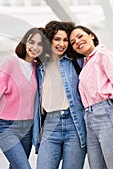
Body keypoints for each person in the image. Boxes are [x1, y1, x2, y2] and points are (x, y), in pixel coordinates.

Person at [0, 27, 49, 169]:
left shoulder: (38, 68)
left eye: (40, 44)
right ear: (25, 43)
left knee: (16, 166)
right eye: (32, 42)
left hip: (28, 128)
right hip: (6, 127)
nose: (35, 47)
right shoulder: (10, 62)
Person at [69, 25, 113, 169]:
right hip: (90, 119)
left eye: (80, 36)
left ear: (91, 35)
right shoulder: (86, 63)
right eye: (73, 42)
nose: (77, 42)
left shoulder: (104, 55)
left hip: (107, 114)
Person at [32, 20, 87, 169]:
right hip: (50, 124)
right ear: (49, 40)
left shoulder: (77, 62)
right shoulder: (39, 65)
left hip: (74, 124)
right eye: (57, 39)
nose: (61, 44)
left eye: (65, 40)